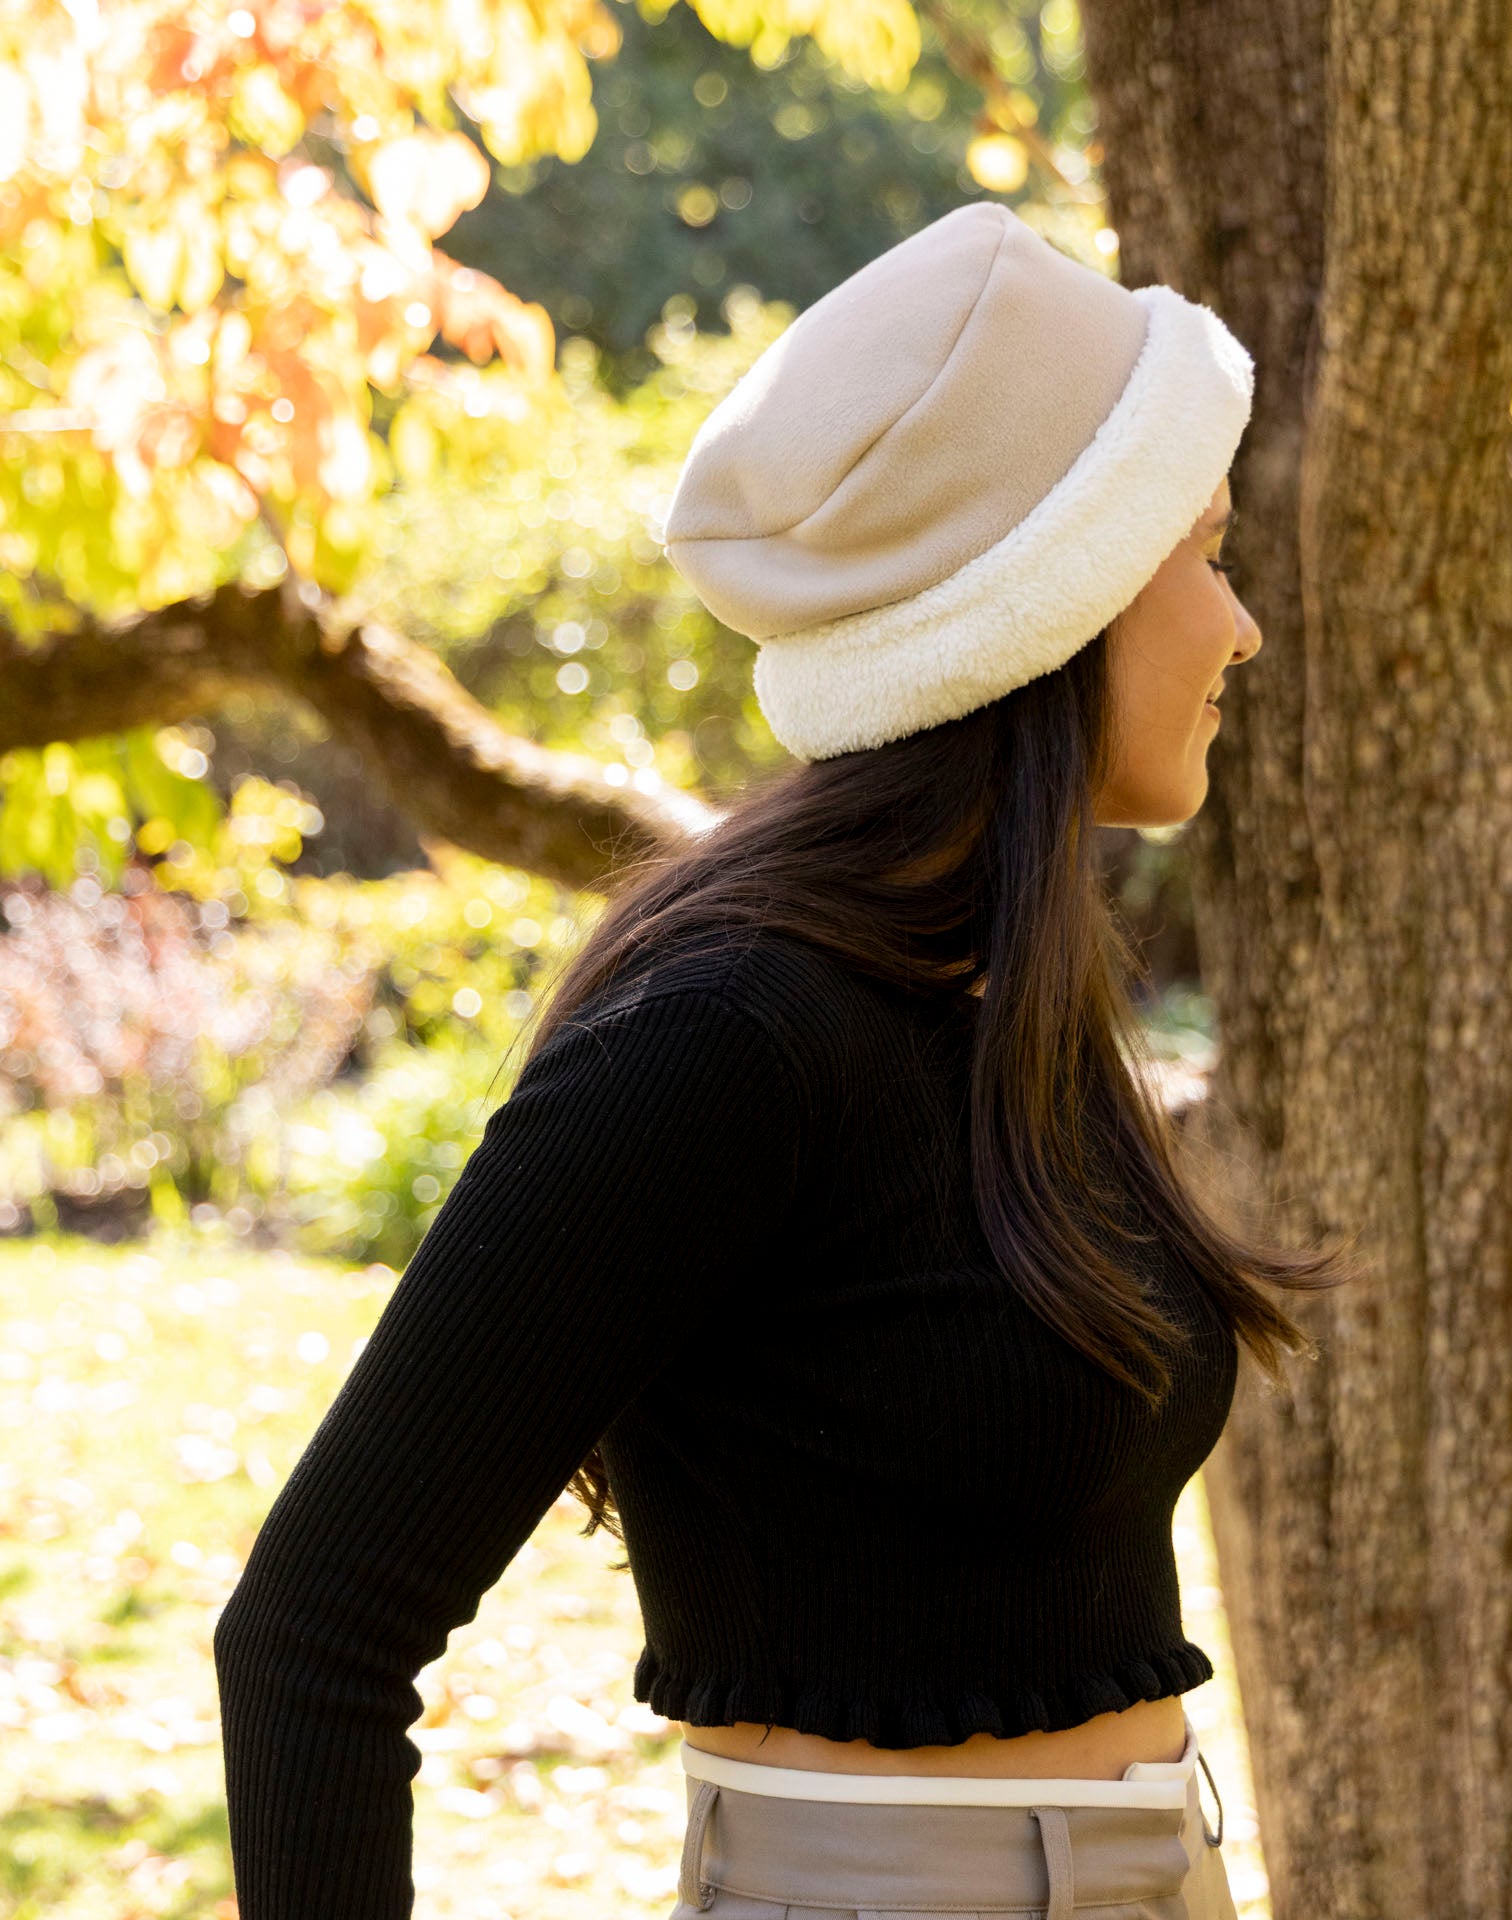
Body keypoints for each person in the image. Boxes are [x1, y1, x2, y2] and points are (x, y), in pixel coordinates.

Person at [212, 200, 1354, 1920]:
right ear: (1049, 605)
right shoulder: (730, 1034)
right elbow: (313, 1632)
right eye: (1200, 552)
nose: (1242, 625)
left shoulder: (999, 1002)